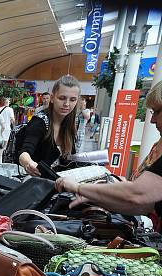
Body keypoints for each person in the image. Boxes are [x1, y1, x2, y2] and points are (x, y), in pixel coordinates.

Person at [54, 84, 162, 216]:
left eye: (157, 111)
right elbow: (141, 205)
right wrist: (97, 195)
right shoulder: (157, 145)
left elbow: (137, 194)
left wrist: (79, 187)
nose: (152, 120)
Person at [18, 75, 80, 176]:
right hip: (32, 183)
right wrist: (29, 163)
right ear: (52, 98)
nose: (67, 104)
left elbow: (70, 160)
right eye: (62, 98)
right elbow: (24, 152)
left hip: (57, 184)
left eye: (72, 100)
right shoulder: (40, 122)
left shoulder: (71, 124)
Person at [0, 96, 15, 161]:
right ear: (7, 102)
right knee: (6, 140)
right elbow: (12, 119)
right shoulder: (10, 109)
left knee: (0, 138)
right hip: (7, 127)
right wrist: (13, 125)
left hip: (0, 127)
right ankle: (3, 150)